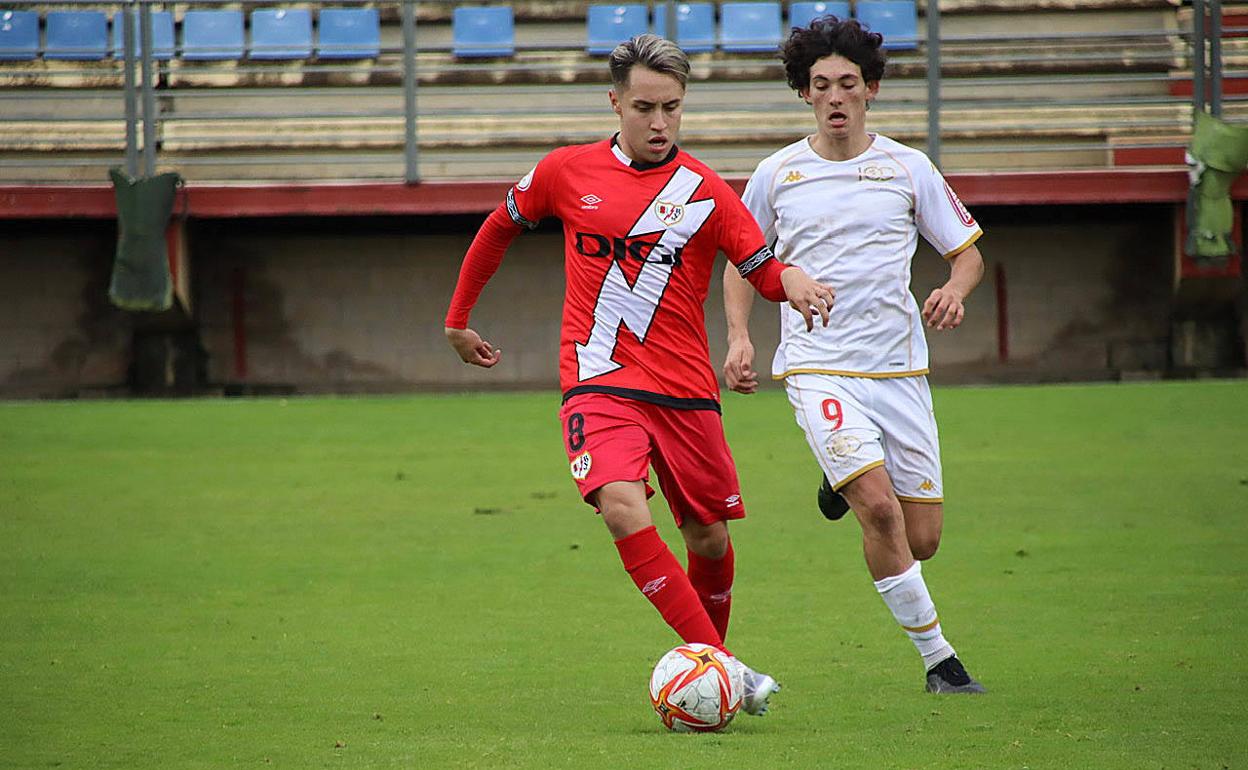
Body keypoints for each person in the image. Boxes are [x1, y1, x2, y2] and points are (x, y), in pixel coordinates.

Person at [444, 33, 836, 715]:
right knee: (622, 508)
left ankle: (709, 671)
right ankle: (732, 675)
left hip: (685, 392)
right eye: (646, 107)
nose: (659, 123)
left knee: (709, 537)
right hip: (597, 381)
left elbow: (760, 268)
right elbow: (498, 226)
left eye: (673, 109)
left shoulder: (705, 191)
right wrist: (458, 318)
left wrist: (792, 280)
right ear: (615, 101)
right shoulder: (566, 172)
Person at [722, 16, 988, 694]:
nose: (834, 96)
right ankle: (941, 663)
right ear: (803, 94)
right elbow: (742, 259)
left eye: (847, 83)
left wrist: (955, 288)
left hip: (899, 369)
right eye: (820, 86)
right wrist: (742, 337)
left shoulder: (908, 167)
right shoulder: (778, 172)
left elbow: (967, 253)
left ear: (870, 89)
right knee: (879, 512)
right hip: (817, 365)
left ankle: (834, 475)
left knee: (922, 538)